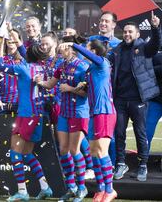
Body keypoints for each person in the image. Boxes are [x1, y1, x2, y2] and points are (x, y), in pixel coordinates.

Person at [60, 39, 117, 202]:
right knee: (93, 152)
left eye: (87, 49)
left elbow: (90, 56)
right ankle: (100, 189)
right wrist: (81, 85)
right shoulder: (91, 69)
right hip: (93, 113)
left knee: (101, 151)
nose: (84, 51)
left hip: (104, 112)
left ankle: (110, 189)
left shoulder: (102, 63)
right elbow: (89, 86)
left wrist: (72, 44)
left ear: (94, 52)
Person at [0, 39, 53, 201]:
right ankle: (45, 187)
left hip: (26, 114)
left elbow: (0, 66)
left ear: (28, 55)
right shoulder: (43, 68)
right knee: (27, 153)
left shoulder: (23, 68)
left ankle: (22, 191)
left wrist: (1, 46)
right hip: (38, 114)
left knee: (15, 152)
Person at [109, 12, 161, 182]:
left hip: (139, 99)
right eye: (125, 32)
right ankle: (121, 163)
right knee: (119, 133)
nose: (127, 34)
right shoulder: (116, 50)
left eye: (130, 32)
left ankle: (143, 165)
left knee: (140, 133)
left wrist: (155, 28)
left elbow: (155, 44)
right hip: (121, 100)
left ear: (138, 34)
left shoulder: (144, 48)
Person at [36, 38, 90, 202]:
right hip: (64, 112)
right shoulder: (62, 65)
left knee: (74, 150)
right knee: (64, 150)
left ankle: (82, 188)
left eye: (64, 46)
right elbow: (51, 84)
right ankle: (72, 187)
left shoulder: (82, 66)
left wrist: (70, 89)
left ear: (72, 49)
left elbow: (86, 93)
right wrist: (40, 82)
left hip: (78, 112)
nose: (60, 48)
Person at [146, 49, 162, 152]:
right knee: (147, 132)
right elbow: (147, 72)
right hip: (155, 101)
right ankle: (143, 162)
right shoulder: (156, 56)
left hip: (154, 100)